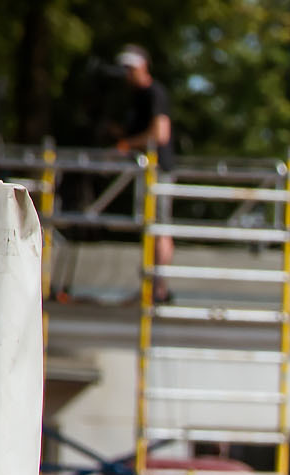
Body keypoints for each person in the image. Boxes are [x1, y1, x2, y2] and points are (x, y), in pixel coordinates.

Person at [113, 47, 174, 294]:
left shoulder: (153, 93)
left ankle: (158, 287)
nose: (128, 74)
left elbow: (160, 133)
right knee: (151, 226)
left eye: (131, 68)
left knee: (159, 227)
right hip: (148, 169)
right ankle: (153, 284)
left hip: (158, 169)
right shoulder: (138, 96)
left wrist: (129, 143)